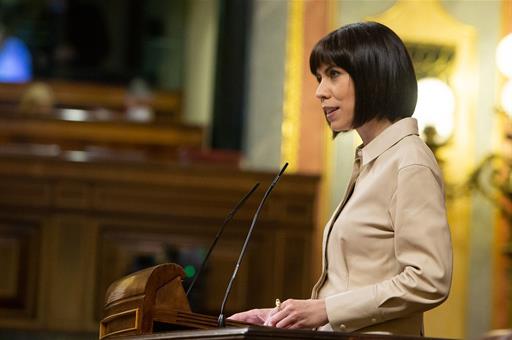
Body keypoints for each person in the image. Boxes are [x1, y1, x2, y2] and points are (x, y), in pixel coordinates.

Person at [229, 22, 452, 336]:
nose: (320, 91)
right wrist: (283, 317)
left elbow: (430, 279)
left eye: (333, 74)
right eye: (319, 78)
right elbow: (355, 284)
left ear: (372, 75)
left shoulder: (409, 161)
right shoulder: (374, 159)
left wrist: (325, 309)